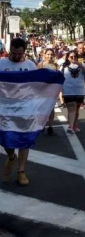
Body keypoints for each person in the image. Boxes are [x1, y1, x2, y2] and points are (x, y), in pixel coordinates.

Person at [0, 38, 37, 186]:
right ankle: (10, 156)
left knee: (24, 140)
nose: (16, 56)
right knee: (5, 139)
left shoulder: (30, 65)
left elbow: (37, 86)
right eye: (14, 53)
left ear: (24, 52)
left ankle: (21, 172)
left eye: (19, 53)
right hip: (4, 109)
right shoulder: (1, 64)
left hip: (25, 109)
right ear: (10, 50)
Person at [61, 51, 85, 134]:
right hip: (68, 91)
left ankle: (74, 125)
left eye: (75, 57)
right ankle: (71, 126)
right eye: (71, 57)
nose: (73, 58)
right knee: (71, 109)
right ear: (68, 58)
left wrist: (79, 64)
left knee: (76, 111)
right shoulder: (63, 67)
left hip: (79, 91)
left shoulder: (82, 65)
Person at [37, 48, 59, 135]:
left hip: (52, 89)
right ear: (45, 55)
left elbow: (58, 77)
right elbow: (37, 76)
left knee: (51, 108)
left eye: (51, 54)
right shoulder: (41, 64)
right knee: (42, 108)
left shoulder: (56, 65)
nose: (50, 56)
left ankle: (50, 126)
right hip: (42, 89)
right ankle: (42, 125)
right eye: (48, 54)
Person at [76, 41, 85, 109]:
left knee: (81, 88)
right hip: (75, 73)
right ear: (77, 48)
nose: (82, 50)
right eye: (80, 48)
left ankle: (81, 102)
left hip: (83, 74)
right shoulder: (74, 55)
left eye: (82, 48)